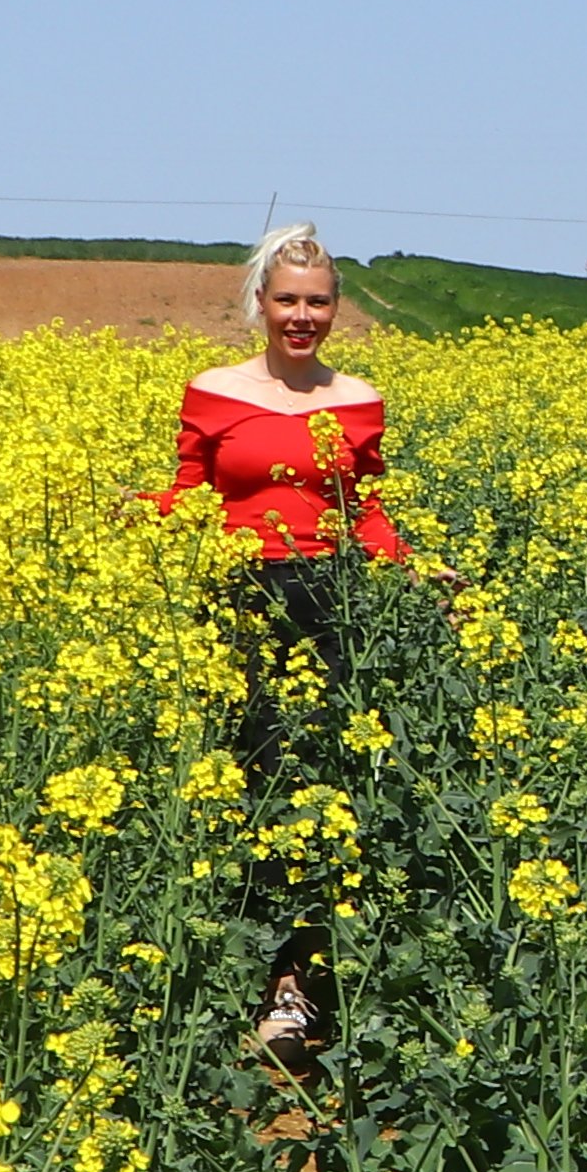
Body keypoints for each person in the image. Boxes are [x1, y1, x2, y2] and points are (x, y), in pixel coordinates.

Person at [146, 224, 427, 1056]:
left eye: (317, 301)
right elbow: (189, 496)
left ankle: (303, 985)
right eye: (287, 300)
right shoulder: (213, 391)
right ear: (260, 305)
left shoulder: (358, 399)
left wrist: (417, 569)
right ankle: (246, 972)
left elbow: (364, 511)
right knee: (248, 781)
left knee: (319, 787)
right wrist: (114, 512)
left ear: (336, 308)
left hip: (326, 600)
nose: (302, 316)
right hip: (236, 595)